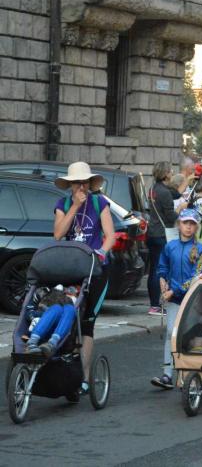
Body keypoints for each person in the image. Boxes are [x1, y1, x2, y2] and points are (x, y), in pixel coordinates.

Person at [53, 161, 115, 393]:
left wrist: (101, 253)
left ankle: (84, 378)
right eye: (77, 182)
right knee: (69, 316)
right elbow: (58, 234)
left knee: (88, 322)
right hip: (71, 269)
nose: (82, 186)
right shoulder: (63, 204)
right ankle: (66, 368)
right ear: (70, 185)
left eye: (85, 182)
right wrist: (75, 206)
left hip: (95, 269)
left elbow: (110, 236)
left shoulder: (99, 203)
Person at [150, 209, 202, 389]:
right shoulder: (170, 246)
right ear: (178, 225)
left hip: (191, 299)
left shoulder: (200, 249)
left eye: (192, 224)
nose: (188, 227)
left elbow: (196, 276)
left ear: (196, 227)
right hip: (173, 299)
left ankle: (189, 374)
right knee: (170, 333)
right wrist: (162, 280)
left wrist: (173, 290)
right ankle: (167, 374)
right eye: (185, 223)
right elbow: (162, 267)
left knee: (188, 334)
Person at [147, 161, 179, 316]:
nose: (172, 173)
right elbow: (170, 216)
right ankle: (155, 305)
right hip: (162, 234)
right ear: (165, 174)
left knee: (153, 269)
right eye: (170, 171)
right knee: (159, 270)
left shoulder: (153, 189)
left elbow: (175, 193)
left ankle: (153, 304)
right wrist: (181, 211)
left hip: (152, 233)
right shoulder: (164, 192)